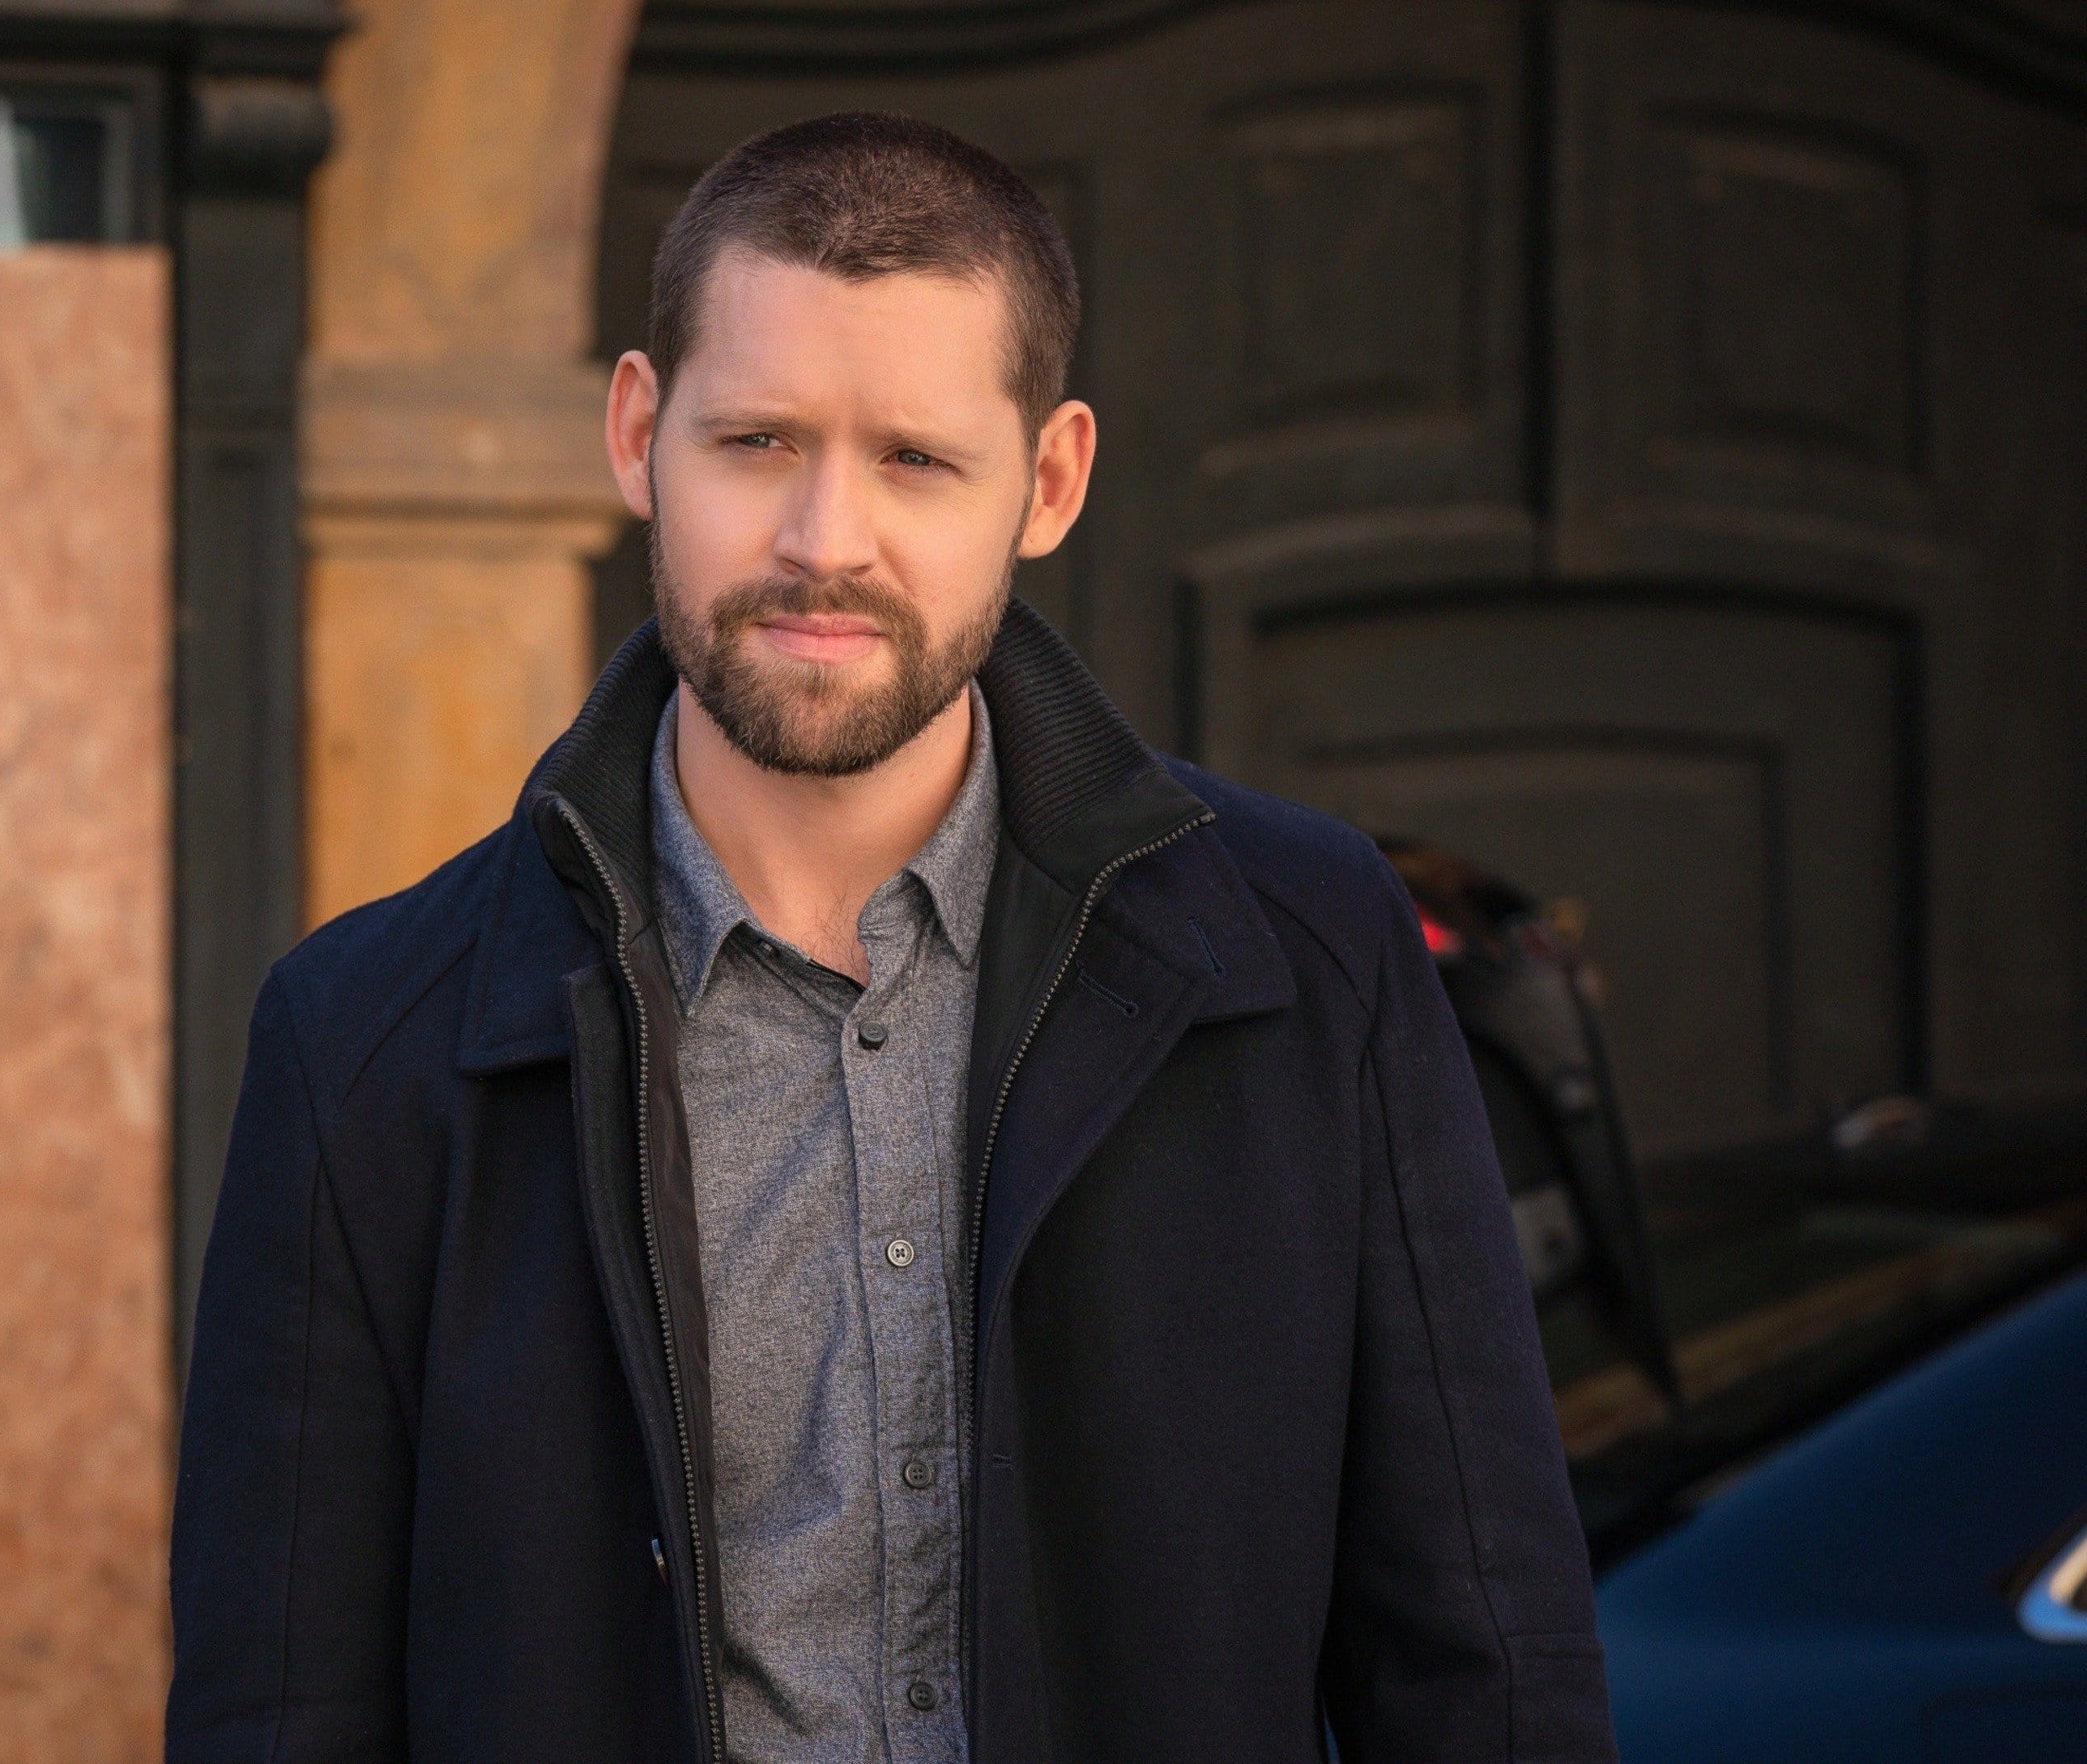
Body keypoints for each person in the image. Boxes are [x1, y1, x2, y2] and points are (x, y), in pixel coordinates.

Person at [168, 112, 1613, 1764]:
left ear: (1049, 482)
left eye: (914, 460)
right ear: (638, 435)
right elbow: (278, 1713)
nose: (824, 541)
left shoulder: (1312, 958)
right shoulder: (364, 1041)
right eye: (758, 441)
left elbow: (1484, 1662)